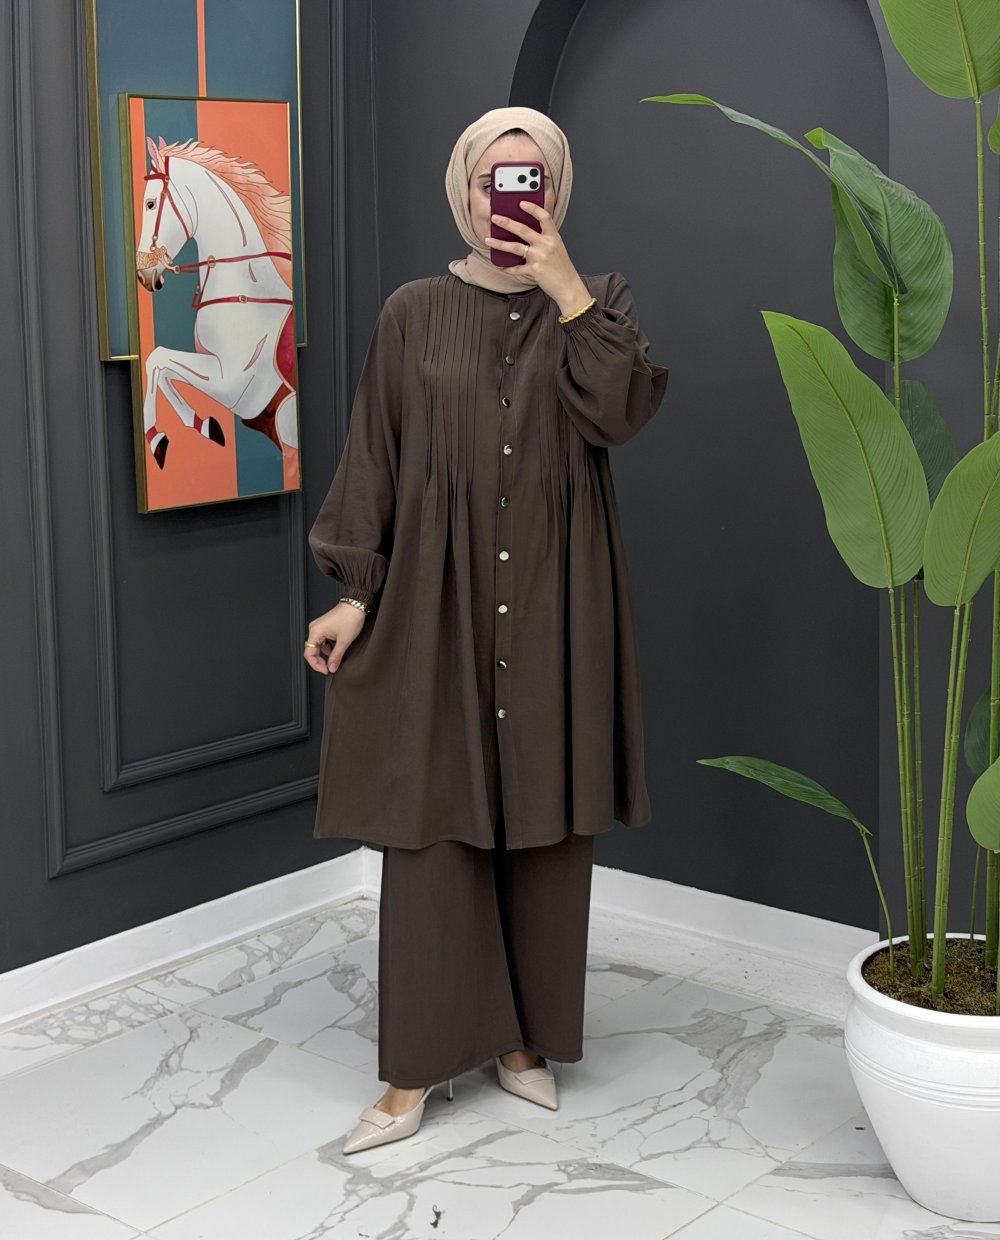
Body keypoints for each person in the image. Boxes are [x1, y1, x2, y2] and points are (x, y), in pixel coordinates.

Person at [304, 106, 668, 1155]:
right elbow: (375, 451)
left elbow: (620, 413)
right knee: (435, 820)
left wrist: (566, 290)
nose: (510, 198)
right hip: (438, 596)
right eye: (491, 180)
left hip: (559, 596)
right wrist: (353, 592)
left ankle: (521, 1039)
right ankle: (417, 1067)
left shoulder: (599, 303)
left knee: (544, 818)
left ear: (555, 192)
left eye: (531, 180)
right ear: (462, 190)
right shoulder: (412, 312)